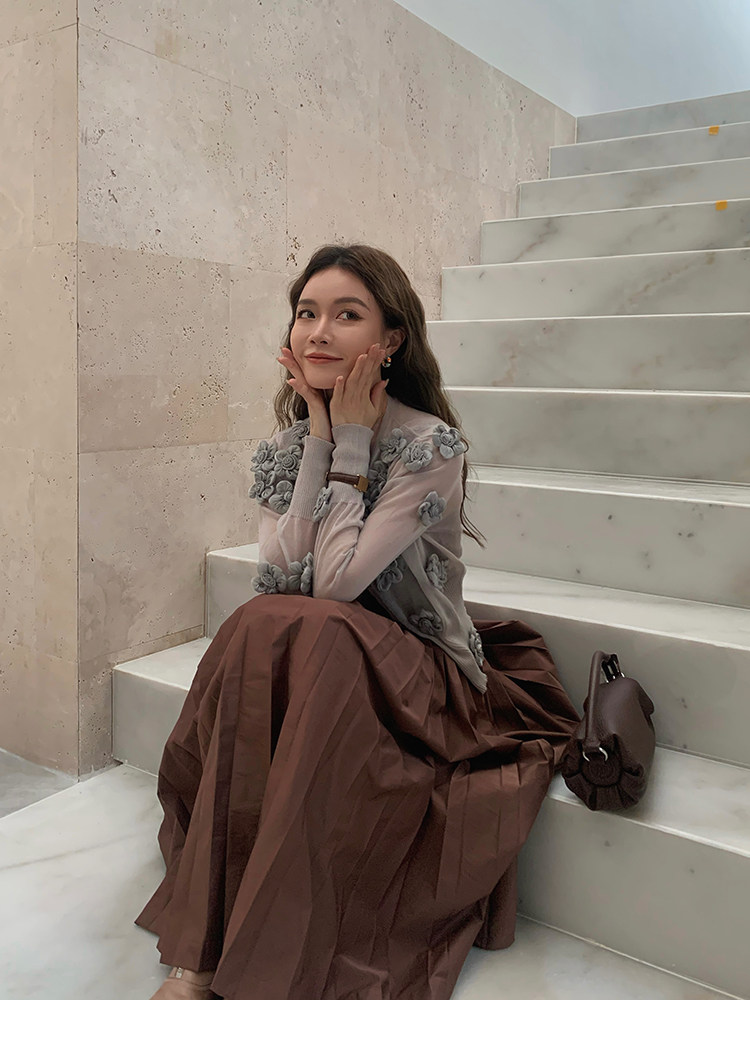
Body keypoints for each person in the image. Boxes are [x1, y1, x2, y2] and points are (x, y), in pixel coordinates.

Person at [135, 243, 581, 1000]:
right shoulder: (288, 447)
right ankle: (201, 952)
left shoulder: (427, 445)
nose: (318, 332)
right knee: (267, 622)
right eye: (307, 313)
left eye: (347, 315)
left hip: (421, 675)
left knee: (305, 628)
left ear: (391, 339)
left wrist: (348, 446)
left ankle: (236, 953)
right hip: (329, 659)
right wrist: (315, 438)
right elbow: (282, 577)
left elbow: (336, 585)